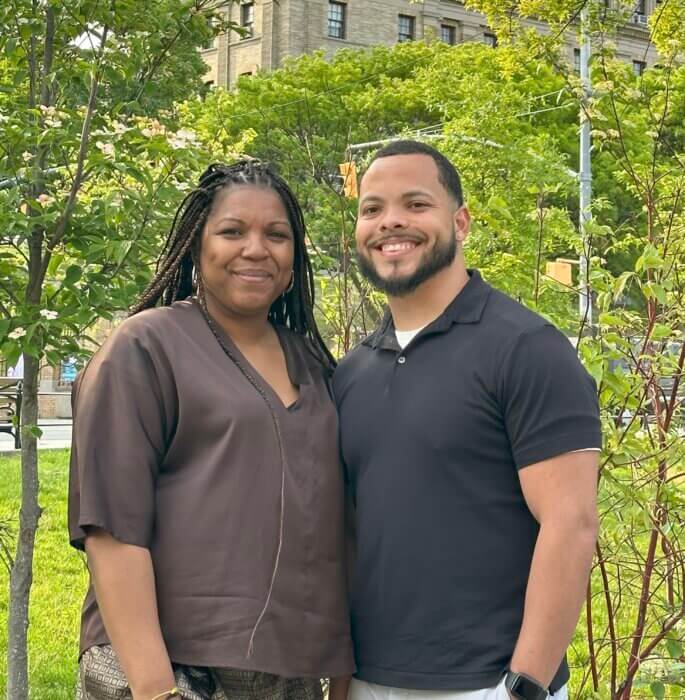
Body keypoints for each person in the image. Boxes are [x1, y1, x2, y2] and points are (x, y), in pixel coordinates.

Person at [68, 161, 354, 700]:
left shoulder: (316, 368)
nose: (256, 249)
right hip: (168, 669)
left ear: (294, 261)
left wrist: (339, 677)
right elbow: (111, 530)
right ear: (197, 248)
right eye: (232, 231)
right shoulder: (144, 350)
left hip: (290, 674)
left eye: (277, 235)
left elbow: (340, 528)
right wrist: (157, 689)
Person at [333, 141, 601, 700]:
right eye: (372, 209)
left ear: (460, 221)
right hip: (369, 680)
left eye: (415, 204)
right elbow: (354, 535)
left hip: (488, 684)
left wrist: (522, 686)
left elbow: (571, 524)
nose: (391, 222)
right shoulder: (350, 373)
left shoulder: (526, 349)